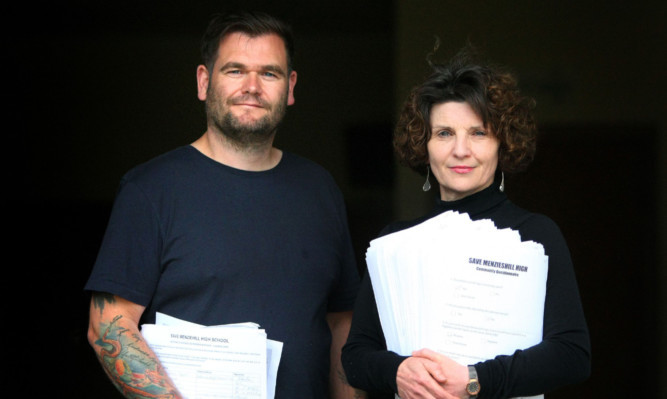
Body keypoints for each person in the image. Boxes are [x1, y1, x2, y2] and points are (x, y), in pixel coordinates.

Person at [85, 11, 363, 399]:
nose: (252, 86)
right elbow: (109, 326)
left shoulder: (320, 189)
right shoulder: (150, 189)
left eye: (270, 73)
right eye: (235, 70)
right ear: (204, 81)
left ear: (290, 87)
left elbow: (342, 324)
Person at [341, 48, 591, 399]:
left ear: (501, 145)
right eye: (444, 133)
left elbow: (572, 356)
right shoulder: (394, 244)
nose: (460, 150)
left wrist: (475, 380)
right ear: (424, 145)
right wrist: (397, 371)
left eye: (478, 133)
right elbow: (355, 357)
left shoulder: (534, 236)